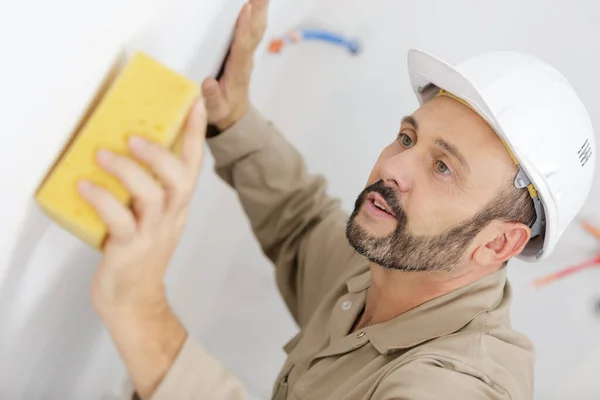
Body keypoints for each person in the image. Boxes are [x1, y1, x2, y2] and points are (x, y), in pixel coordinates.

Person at [81, 0, 596, 399]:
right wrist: (233, 118)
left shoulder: (456, 384)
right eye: (408, 138)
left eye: (442, 167)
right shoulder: (395, 269)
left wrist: (141, 311)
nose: (393, 167)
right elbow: (302, 225)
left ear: (498, 242)